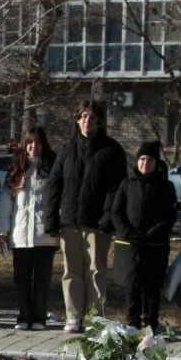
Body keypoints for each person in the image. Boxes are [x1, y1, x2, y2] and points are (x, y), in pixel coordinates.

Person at [44, 100, 127, 332]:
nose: (87, 120)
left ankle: (94, 319)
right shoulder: (67, 150)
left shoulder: (112, 150)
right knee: (71, 271)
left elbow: (117, 189)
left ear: (98, 120)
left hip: (97, 223)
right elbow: (54, 185)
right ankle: (73, 316)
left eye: (91, 116)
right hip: (69, 221)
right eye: (83, 116)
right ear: (77, 119)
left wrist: (107, 218)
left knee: (96, 270)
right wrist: (51, 220)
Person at [0, 127, 57, 330]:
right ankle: (23, 315)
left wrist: (58, 225)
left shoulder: (51, 167)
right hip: (20, 234)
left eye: (38, 142)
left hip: (44, 234)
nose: (34, 146)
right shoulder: (16, 168)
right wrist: (2, 230)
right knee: (21, 277)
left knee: (42, 278)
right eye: (30, 142)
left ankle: (39, 317)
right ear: (25, 144)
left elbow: (58, 199)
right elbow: (6, 202)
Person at [110, 141, 176, 332]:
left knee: (152, 286)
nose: (145, 163)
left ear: (156, 163)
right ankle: (132, 321)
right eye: (142, 159)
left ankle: (151, 322)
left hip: (154, 246)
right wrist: (129, 232)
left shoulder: (165, 186)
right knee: (132, 286)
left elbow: (168, 217)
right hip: (130, 244)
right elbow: (116, 212)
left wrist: (151, 234)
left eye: (149, 159)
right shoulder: (126, 184)